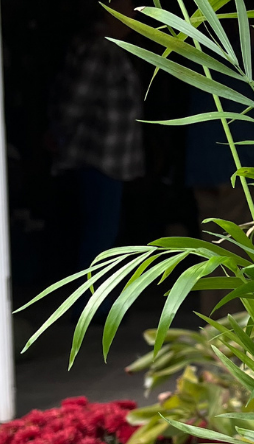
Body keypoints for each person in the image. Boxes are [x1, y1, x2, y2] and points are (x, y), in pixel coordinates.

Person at [50, 0, 144, 273]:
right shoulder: (99, 49)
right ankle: (92, 308)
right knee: (99, 237)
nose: (134, 13)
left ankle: (97, 304)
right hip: (99, 156)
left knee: (103, 234)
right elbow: (75, 102)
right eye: (128, 7)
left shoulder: (111, 48)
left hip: (111, 158)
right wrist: (57, 136)